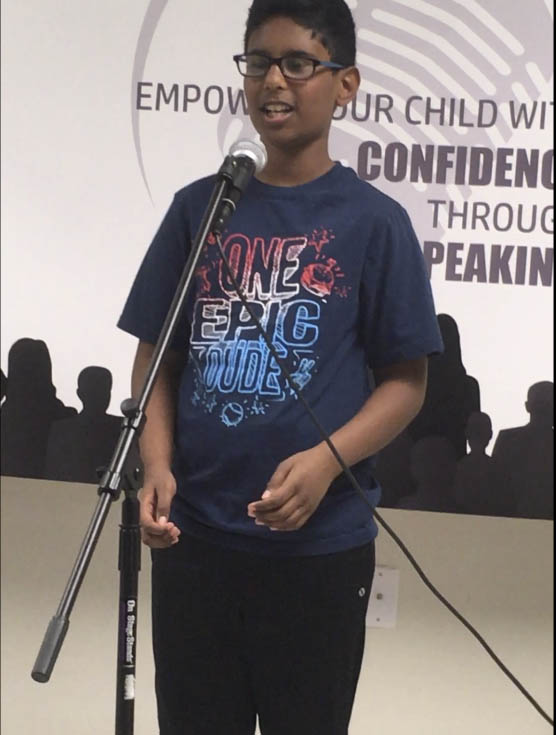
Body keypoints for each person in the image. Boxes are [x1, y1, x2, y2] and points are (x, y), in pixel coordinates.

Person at [118, 1, 443, 733]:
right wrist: (157, 461)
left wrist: (328, 461)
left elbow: (407, 382)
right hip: (196, 542)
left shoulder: (374, 221)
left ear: (345, 84)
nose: (274, 80)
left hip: (317, 553)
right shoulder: (199, 210)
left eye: (299, 63)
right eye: (259, 62)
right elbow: (156, 353)